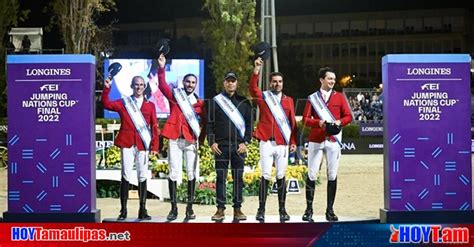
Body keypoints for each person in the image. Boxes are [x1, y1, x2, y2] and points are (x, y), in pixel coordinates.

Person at [102, 75, 159, 221]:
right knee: (126, 175)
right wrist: (107, 88)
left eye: (141, 85)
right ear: (131, 86)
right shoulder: (124, 103)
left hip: (142, 144)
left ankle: (143, 209)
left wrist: (155, 146)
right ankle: (123, 210)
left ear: (144, 87)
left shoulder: (150, 105)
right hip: (126, 142)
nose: (139, 87)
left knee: (142, 176)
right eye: (136, 85)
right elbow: (106, 104)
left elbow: (154, 127)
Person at [157, 54, 207, 221]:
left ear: (196, 85)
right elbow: (163, 86)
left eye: (193, 82)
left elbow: (205, 124)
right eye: (188, 82)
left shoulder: (200, 104)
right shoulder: (175, 97)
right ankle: (173, 208)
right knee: (173, 173)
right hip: (174, 139)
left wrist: (203, 139)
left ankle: (190, 208)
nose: (190, 85)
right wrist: (162, 67)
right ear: (183, 83)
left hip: (191, 141)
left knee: (192, 173)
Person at [301, 67, 352, 222]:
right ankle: (309, 210)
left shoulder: (340, 97)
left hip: (333, 140)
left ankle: (330, 210)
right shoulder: (312, 98)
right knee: (312, 174)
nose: (332, 82)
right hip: (316, 139)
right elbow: (305, 119)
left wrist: (339, 121)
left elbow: (348, 116)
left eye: (334, 79)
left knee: (332, 174)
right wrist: (319, 122)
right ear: (321, 80)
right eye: (329, 79)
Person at [249, 57, 297, 222]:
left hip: (282, 144)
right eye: (274, 81)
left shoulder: (289, 101)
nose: (277, 84)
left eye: (280, 81)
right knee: (265, 175)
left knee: (281, 176)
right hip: (266, 142)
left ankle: (282, 210)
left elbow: (292, 124)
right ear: (270, 83)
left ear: (283, 83)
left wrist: (293, 142)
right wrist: (256, 70)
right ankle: (261, 210)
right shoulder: (264, 97)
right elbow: (252, 88)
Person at [207, 71, 253, 221]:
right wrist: (212, 142)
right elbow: (210, 124)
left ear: (236, 83)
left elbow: (250, 125)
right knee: (221, 178)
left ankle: (238, 209)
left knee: (238, 178)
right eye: (228, 81)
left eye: (233, 81)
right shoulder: (215, 101)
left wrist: (246, 142)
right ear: (224, 83)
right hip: (221, 147)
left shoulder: (245, 102)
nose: (230, 83)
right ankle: (220, 210)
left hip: (238, 148)